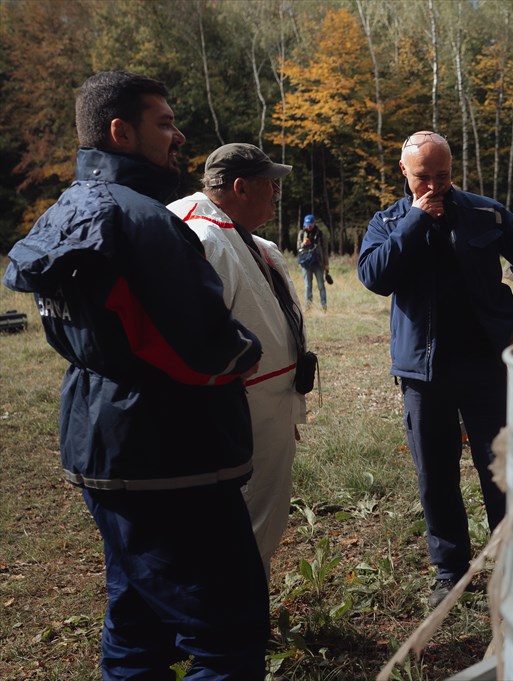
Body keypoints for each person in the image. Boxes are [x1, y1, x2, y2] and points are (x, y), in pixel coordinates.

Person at [2, 72, 269, 679]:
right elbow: (202, 348)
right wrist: (245, 351)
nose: (179, 136)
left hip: (100, 446)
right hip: (172, 457)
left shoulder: (63, 212)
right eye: (165, 123)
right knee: (228, 634)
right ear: (121, 132)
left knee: (137, 622)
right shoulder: (144, 222)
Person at [357, 130, 513, 607]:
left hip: (486, 362)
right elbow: (374, 277)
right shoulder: (388, 221)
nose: (436, 185)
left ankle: (512, 562)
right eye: (425, 177)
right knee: (436, 474)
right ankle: (450, 570)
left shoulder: (484, 211)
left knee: (498, 467)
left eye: (443, 175)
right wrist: (415, 221)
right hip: (423, 372)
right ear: (404, 172)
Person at [167, 143, 307, 580]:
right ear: (241, 187)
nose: (277, 195)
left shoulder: (243, 237)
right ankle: (236, 615)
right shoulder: (201, 235)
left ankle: (245, 603)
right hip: (236, 410)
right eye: (271, 186)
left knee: (261, 512)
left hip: (267, 404)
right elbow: (191, 336)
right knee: (241, 515)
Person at [297, 213, 329, 310]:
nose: (309, 226)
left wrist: (326, 264)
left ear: (314, 223)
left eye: (310, 224)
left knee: (321, 285)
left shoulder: (320, 233)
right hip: (306, 264)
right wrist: (303, 243)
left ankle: (324, 306)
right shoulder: (302, 233)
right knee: (308, 286)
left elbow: (325, 249)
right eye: (307, 224)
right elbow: (298, 247)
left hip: (318, 263)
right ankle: (309, 306)